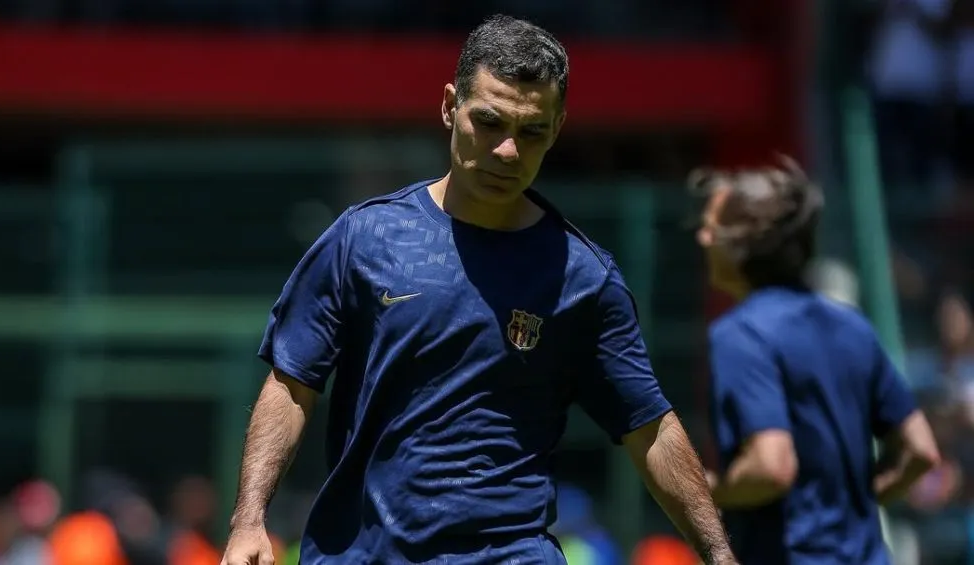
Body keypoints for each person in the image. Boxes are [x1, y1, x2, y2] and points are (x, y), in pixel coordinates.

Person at [221, 14, 735, 565]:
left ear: (557, 128)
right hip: (365, 553)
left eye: (532, 131)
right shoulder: (365, 238)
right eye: (489, 122)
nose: (508, 150)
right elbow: (292, 384)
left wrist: (721, 556)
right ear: (450, 106)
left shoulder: (583, 276)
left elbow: (649, 429)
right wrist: (249, 520)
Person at [694, 159, 942, 564]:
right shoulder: (852, 326)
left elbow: (771, 466)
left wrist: (704, 490)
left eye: (711, 228)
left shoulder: (740, 334)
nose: (702, 237)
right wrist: (854, 506)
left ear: (741, 243)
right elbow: (921, 451)